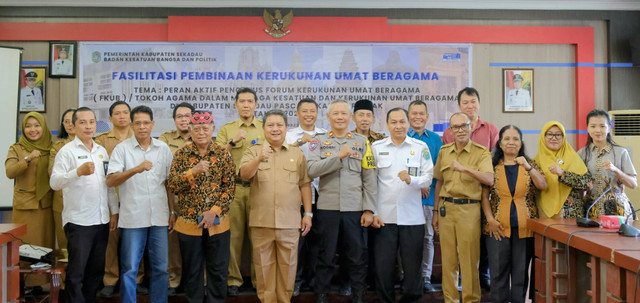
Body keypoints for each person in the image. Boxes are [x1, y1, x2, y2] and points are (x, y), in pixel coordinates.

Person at [240, 109, 313, 303]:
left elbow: (305, 184)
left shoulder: (297, 154)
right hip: (261, 222)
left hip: (289, 223)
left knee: (288, 269)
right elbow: (244, 175)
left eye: (279, 125)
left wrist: (308, 214)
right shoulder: (253, 151)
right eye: (270, 125)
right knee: (264, 270)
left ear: (286, 128)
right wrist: (258, 159)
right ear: (263, 128)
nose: (275, 129)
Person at [307, 100, 377, 303]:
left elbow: (369, 178)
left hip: (355, 209)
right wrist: (337, 157)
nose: (339, 117)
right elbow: (311, 170)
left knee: (356, 256)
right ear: (328, 117)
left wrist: (369, 209)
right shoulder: (317, 141)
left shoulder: (362, 143)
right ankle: (321, 294)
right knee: (325, 256)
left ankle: (358, 295)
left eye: (343, 113)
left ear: (350, 118)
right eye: (335, 113)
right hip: (327, 208)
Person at [50, 107, 118, 303]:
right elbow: (54, 183)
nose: (88, 126)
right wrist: (77, 172)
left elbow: (109, 184)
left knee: (96, 271)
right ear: (73, 125)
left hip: (101, 219)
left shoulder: (101, 151)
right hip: (79, 222)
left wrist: (114, 211)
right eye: (82, 122)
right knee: (76, 272)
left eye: (91, 122)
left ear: (96, 124)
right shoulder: (66, 152)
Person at [106, 105, 173, 303]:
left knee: (161, 268)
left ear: (152, 124)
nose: (142, 127)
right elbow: (110, 181)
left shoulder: (163, 148)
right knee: (130, 269)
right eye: (138, 123)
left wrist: (173, 211)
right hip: (133, 218)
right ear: (132, 125)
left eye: (146, 123)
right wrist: (135, 169)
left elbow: (169, 183)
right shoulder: (122, 149)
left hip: (159, 217)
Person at [167, 110, 235, 303]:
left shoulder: (223, 154)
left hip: (218, 222)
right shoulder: (181, 154)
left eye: (205, 128)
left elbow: (229, 188)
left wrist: (214, 211)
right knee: (192, 270)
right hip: (189, 223)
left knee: (218, 270)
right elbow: (171, 184)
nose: (201, 132)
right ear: (190, 130)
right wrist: (192, 172)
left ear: (213, 129)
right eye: (197, 129)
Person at [370, 108, 433, 303]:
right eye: (394, 122)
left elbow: (428, 178)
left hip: (412, 217)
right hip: (383, 217)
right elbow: (370, 182)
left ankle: (412, 299)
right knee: (384, 267)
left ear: (408, 123)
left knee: (412, 267)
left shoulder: (420, 146)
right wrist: (373, 212)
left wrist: (411, 180)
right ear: (387, 125)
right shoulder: (377, 147)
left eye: (402, 122)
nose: (398, 126)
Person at [432, 112, 494, 303]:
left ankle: (471, 300)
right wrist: (435, 212)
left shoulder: (481, 152)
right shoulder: (444, 151)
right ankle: (450, 300)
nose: (460, 130)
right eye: (455, 127)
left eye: (463, 126)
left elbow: (489, 179)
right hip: (446, 210)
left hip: (469, 210)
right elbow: (439, 183)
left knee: (468, 261)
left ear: (470, 127)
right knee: (448, 262)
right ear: (450, 131)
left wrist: (464, 168)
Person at [481, 125, 547, 303]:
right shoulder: (491, 166)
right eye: (507, 139)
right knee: (498, 274)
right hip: (497, 228)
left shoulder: (530, 164)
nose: (511, 142)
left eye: (515, 139)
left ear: (521, 143)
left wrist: (529, 167)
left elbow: (543, 184)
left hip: (525, 229)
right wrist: (490, 220)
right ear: (500, 144)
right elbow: (484, 197)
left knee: (520, 274)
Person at [441, 87, 498, 289]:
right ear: (459, 106)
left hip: (483, 196)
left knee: (476, 248)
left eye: (473, 101)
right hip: (453, 202)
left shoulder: (491, 130)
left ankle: (483, 277)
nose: (470, 105)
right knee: (452, 256)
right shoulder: (446, 139)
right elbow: (442, 175)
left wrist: (469, 170)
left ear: (479, 103)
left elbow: (495, 164)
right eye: (465, 102)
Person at [215, 87, 264, 295]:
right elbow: (215, 157)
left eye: (249, 101)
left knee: (259, 237)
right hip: (233, 189)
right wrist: (232, 142)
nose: (246, 104)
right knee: (233, 238)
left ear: (256, 105)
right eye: (242, 101)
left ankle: (258, 280)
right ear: (235, 104)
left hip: (259, 188)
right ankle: (233, 280)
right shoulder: (227, 129)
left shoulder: (265, 128)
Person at [95, 101, 142, 297]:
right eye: (117, 113)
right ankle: (110, 279)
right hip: (112, 196)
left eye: (125, 113)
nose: (122, 116)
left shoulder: (140, 136)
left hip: (137, 195)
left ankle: (137, 279)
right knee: (112, 239)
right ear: (110, 118)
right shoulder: (101, 141)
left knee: (138, 240)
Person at [285, 98, 327, 296]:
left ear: (317, 114)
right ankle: (297, 280)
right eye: (305, 111)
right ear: (297, 114)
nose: (309, 114)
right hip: (296, 193)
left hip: (323, 192)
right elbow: (282, 155)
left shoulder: (326, 134)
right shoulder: (289, 135)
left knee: (319, 240)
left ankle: (315, 281)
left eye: (312, 111)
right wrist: (301, 141)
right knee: (298, 239)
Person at [158, 102, 195, 295]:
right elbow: (165, 164)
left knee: (195, 243)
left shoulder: (201, 137)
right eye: (179, 116)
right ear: (174, 120)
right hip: (171, 195)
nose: (183, 119)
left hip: (196, 199)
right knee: (172, 242)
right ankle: (173, 281)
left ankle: (195, 281)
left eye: (187, 116)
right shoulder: (165, 138)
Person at [407, 100, 443, 293]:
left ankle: (425, 276)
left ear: (427, 117)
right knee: (406, 238)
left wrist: (426, 183)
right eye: (414, 113)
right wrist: (417, 183)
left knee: (427, 238)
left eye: (421, 113)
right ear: (408, 115)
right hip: (407, 198)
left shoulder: (436, 140)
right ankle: (407, 275)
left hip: (428, 198)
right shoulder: (402, 135)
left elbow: (438, 169)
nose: (418, 117)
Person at [5, 112, 54, 250]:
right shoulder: (16, 148)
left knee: (45, 248)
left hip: (46, 205)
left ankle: (44, 273)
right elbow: (10, 172)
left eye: (37, 125)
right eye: (28, 126)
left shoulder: (52, 148)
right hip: (25, 206)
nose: (32, 130)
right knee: (25, 249)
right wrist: (28, 158)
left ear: (43, 127)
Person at [578, 110, 637, 218]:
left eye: (602, 126)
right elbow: (578, 187)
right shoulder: (581, 154)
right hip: (591, 211)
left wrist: (616, 170)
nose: (597, 130)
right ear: (587, 128)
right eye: (593, 126)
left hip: (618, 211)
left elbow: (633, 184)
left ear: (609, 128)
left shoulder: (621, 152)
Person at [534, 121, 593, 218]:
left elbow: (588, 184)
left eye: (558, 134)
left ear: (564, 137)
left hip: (571, 215)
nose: (554, 138)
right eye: (549, 134)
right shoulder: (536, 161)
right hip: (545, 215)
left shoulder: (573, 158)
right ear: (543, 137)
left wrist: (563, 174)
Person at [49, 108, 77, 250]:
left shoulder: (94, 145)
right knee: (64, 243)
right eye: (66, 121)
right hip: (61, 200)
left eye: (73, 120)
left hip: (86, 200)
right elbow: (52, 172)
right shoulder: (58, 146)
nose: (70, 124)